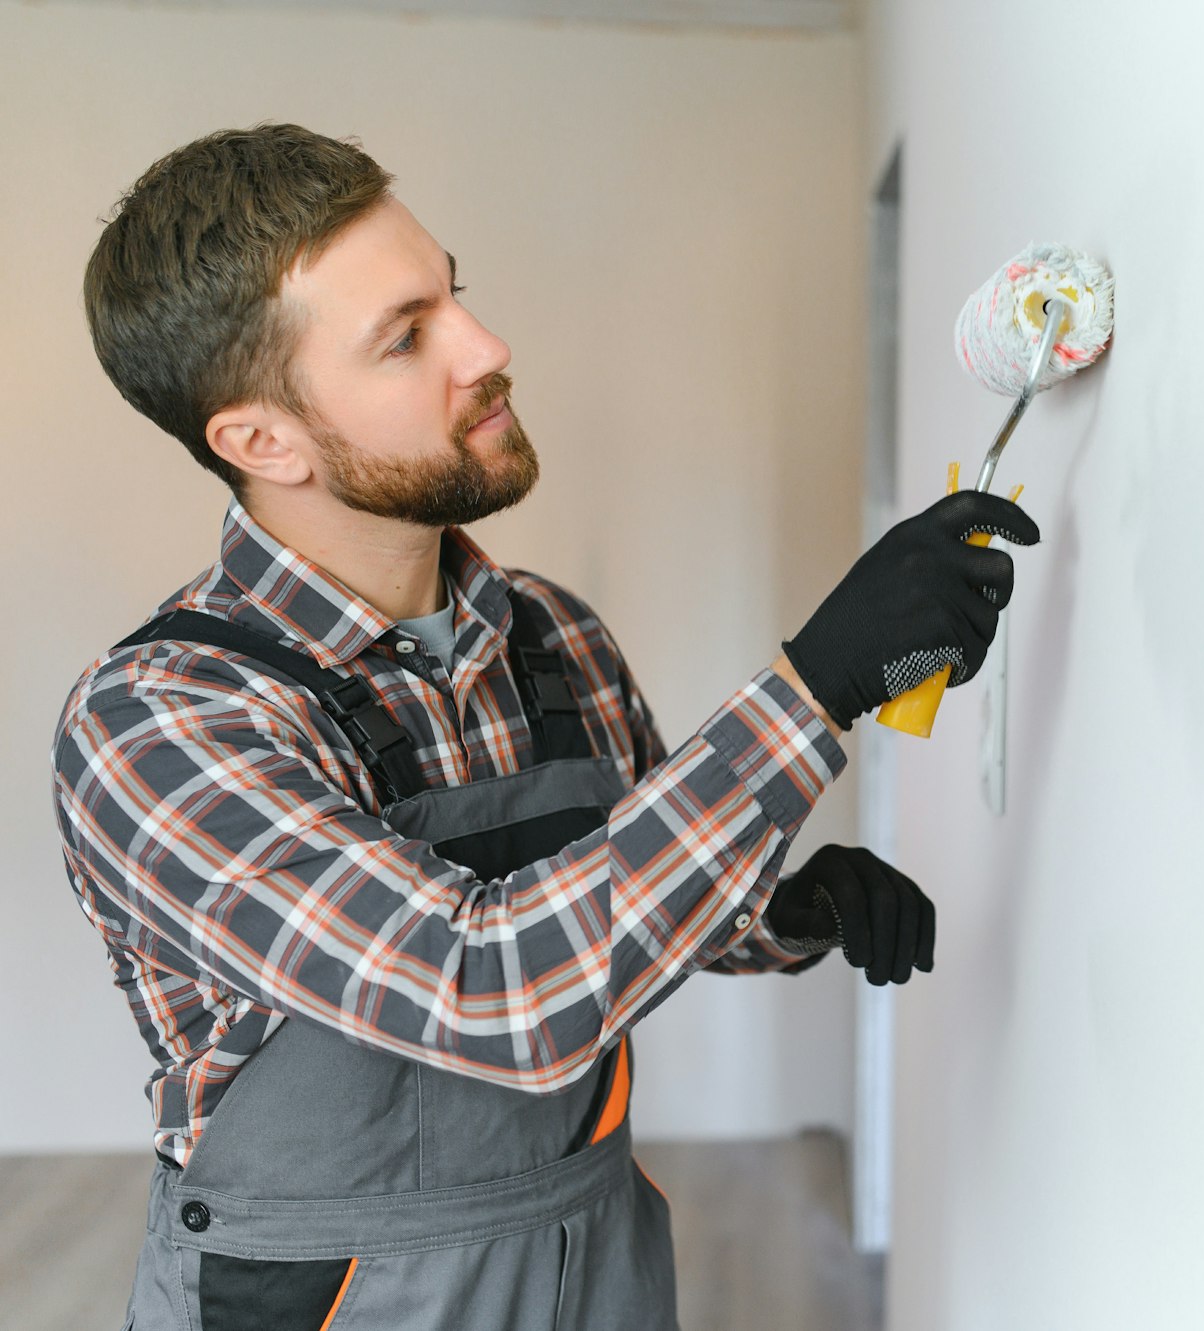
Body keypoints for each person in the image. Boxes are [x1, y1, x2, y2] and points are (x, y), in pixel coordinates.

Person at [50, 122, 1037, 1331]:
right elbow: (495, 989)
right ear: (262, 439)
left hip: (596, 1256)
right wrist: (814, 684)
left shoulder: (551, 634)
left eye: (452, 293)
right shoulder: (161, 722)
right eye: (406, 338)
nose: (485, 346)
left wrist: (785, 912)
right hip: (328, 1297)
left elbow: (616, 904)